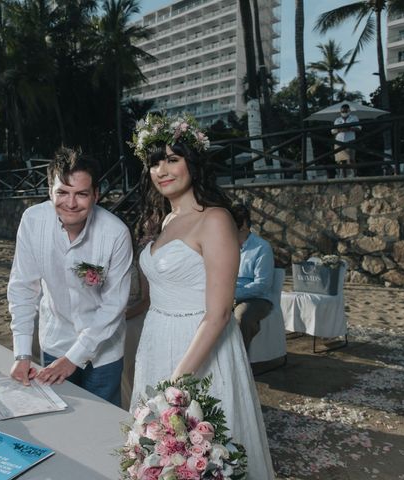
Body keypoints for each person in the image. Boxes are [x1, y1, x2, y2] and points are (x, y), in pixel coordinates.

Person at [129, 113, 275, 479]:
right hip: (156, 340)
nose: (162, 169)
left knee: (202, 450)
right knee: (163, 453)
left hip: (197, 346)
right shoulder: (163, 220)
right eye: (154, 162)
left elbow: (220, 313)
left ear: (192, 163)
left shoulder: (215, 220)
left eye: (172, 159)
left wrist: (176, 383)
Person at [7, 147, 133, 407]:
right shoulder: (32, 221)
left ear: (96, 195)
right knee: (61, 420)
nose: (71, 203)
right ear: (50, 191)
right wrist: (21, 352)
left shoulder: (116, 233)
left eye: (81, 194)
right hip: (55, 341)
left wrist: (75, 357)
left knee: (102, 425)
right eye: (62, 192)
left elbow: (114, 305)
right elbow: (23, 288)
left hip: (104, 351)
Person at [232, 202, 275, 352]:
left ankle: (240, 364)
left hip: (257, 299)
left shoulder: (262, 247)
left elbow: (263, 284)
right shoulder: (226, 245)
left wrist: (234, 294)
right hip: (229, 294)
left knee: (241, 317)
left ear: (243, 225)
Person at [331, 103, 361, 178]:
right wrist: (341, 129)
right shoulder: (337, 120)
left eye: (345, 111)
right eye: (342, 111)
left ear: (349, 111)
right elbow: (333, 131)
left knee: (351, 159)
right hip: (339, 141)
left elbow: (359, 128)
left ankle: (354, 174)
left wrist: (349, 128)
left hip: (350, 140)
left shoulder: (354, 118)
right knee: (341, 161)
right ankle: (344, 177)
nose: (344, 113)